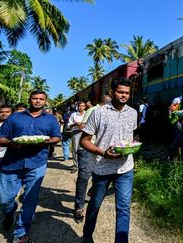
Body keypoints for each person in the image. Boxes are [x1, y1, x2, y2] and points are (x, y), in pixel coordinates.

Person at [0, 90, 61, 243]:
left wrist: (46, 142)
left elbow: (56, 137)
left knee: (30, 199)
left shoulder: (50, 119)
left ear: (45, 101)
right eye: (35, 98)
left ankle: (21, 233)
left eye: (41, 99)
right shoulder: (15, 117)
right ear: (29, 99)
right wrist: (11, 143)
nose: (37, 101)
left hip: (37, 164)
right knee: (4, 200)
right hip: (12, 163)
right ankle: (10, 213)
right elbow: (0, 138)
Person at [80, 78, 137, 243]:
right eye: (120, 92)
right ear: (112, 92)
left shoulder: (133, 113)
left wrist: (132, 147)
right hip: (102, 168)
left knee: (124, 208)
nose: (124, 95)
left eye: (127, 93)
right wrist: (102, 152)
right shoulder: (99, 112)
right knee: (95, 205)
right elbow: (85, 140)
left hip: (125, 168)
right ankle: (87, 235)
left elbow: (130, 138)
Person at [73, 95, 111, 222]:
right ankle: (79, 208)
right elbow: (82, 127)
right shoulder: (93, 111)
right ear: (106, 103)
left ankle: (91, 191)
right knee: (84, 177)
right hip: (87, 150)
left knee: (100, 175)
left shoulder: (108, 112)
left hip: (101, 150)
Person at [167, 87, 183, 161]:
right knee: (182, 135)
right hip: (177, 121)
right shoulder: (177, 100)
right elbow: (171, 110)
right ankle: (171, 147)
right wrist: (174, 121)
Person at [68, 101, 86, 173]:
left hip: (85, 133)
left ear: (85, 107)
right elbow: (69, 125)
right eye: (79, 106)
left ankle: (83, 165)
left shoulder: (87, 114)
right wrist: (75, 124)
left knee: (85, 149)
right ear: (77, 107)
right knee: (75, 149)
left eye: (82, 106)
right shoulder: (74, 115)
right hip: (75, 133)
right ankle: (76, 166)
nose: (81, 107)